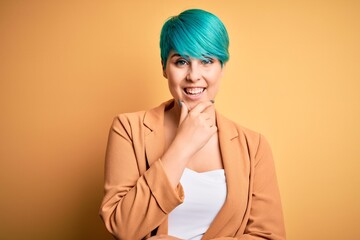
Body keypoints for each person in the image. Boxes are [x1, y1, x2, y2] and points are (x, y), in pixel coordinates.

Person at [99, 9, 286, 240]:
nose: (194, 75)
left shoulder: (253, 146)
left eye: (207, 61)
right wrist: (183, 145)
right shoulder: (128, 129)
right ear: (164, 67)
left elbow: (269, 236)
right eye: (181, 61)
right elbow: (123, 228)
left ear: (222, 68)